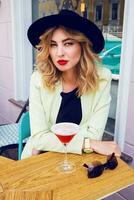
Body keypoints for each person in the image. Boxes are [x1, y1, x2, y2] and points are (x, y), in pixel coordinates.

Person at [21, 9, 121, 159]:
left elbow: (95, 133)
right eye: (53, 45)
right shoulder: (38, 79)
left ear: (82, 45)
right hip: (39, 160)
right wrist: (90, 144)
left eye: (68, 43)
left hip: (79, 159)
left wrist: (49, 141)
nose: (59, 53)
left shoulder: (102, 79)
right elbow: (39, 138)